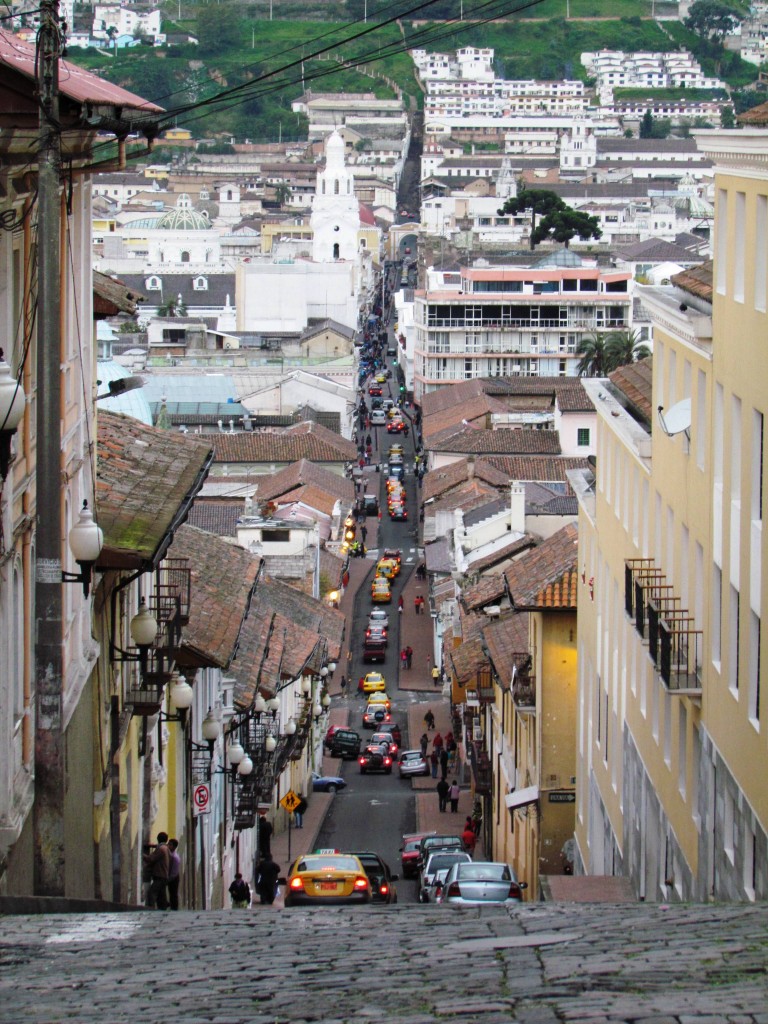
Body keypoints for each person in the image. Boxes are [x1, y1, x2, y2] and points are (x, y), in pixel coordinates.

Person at [144, 831, 171, 910]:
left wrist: (142, 855)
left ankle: (151, 909)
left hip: (159, 875)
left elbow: (151, 859)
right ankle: (163, 908)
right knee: (161, 896)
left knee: (152, 893)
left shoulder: (161, 849)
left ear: (158, 838)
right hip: (164, 875)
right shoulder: (166, 848)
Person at [167, 838, 181, 911]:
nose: (168, 846)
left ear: (174, 847)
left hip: (174, 878)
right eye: (168, 844)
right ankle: (172, 906)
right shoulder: (171, 855)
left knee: (173, 894)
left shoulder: (174, 857)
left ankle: (174, 908)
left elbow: (174, 871)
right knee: (172, 893)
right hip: (173, 877)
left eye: (170, 844)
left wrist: (169, 879)